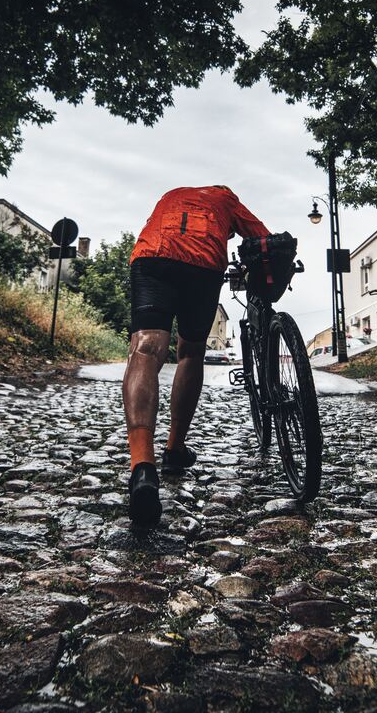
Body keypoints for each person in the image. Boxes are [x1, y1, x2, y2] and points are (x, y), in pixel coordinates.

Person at [124, 185, 270, 527]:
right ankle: (174, 449)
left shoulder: (170, 195)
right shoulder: (226, 199)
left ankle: (142, 468)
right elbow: (262, 238)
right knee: (191, 352)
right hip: (203, 264)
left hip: (153, 255)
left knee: (145, 348)